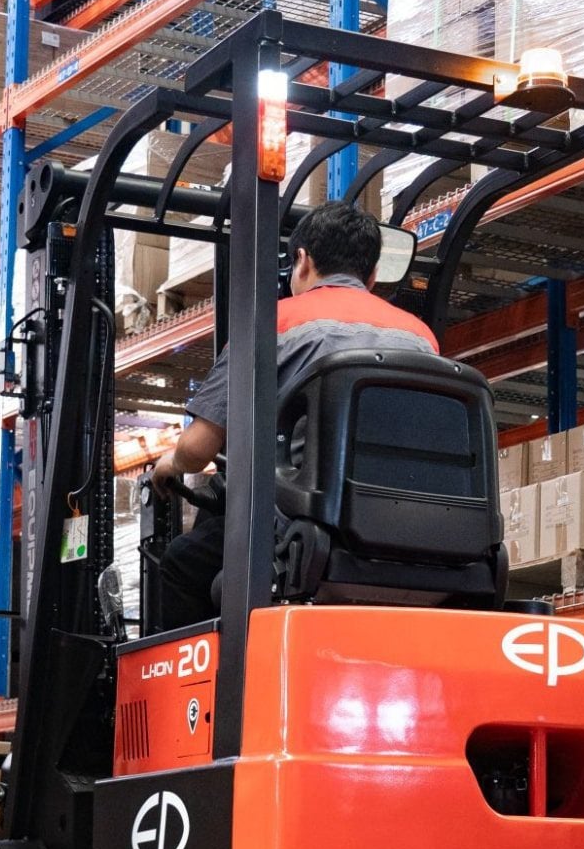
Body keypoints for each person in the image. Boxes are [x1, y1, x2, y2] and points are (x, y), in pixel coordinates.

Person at [148, 201, 438, 629]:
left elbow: (197, 449)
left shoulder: (273, 324)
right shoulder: (421, 337)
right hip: (409, 533)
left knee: (179, 563)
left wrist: (169, 465)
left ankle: (203, 694)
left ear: (301, 261)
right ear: (372, 275)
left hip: (305, 531)